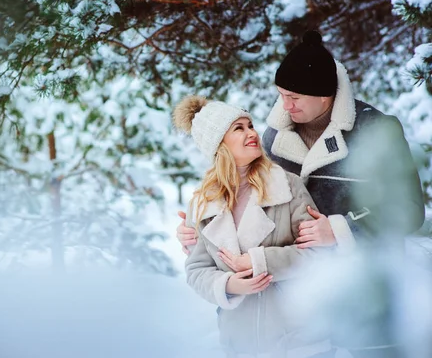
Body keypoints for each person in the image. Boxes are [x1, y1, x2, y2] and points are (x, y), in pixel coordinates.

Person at [176, 31, 426, 357]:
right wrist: (204, 234)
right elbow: (249, 208)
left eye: (294, 96)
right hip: (294, 314)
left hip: (363, 297)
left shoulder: (375, 130)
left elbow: (408, 210)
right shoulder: (273, 137)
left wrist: (340, 230)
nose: (285, 104)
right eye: (281, 94)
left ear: (324, 95)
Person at [174, 95, 331, 357]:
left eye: (250, 125)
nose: (251, 133)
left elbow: (317, 255)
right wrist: (228, 285)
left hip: (300, 340)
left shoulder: (287, 186)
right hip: (240, 343)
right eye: (239, 128)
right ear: (218, 143)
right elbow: (197, 270)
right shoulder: (203, 203)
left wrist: (259, 261)